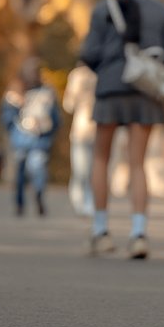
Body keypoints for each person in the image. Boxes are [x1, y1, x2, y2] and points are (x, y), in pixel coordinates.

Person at [78, 0, 164, 258]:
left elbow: (89, 52)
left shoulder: (102, 9)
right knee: (138, 163)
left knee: (101, 158)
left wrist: (109, 68)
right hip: (145, 92)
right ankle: (139, 234)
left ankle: (101, 232)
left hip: (110, 87)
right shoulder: (161, 10)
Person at [0, 57, 62, 218]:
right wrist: (15, 129)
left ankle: (39, 195)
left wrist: (48, 132)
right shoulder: (14, 93)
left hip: (40, 139)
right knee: (20, 173)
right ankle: (19, 203)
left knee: (38, 168)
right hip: (20, 139)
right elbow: (7, 116)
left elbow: (55, 117)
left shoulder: (47, 92)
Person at [62, 62, 97, 217]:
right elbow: (68, 104)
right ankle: (80, 200)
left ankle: (90, 200)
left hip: (99, 128)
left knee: (92, 168)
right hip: (82, 129)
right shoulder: (77, 76)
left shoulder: (101, 73)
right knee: (81, 169)